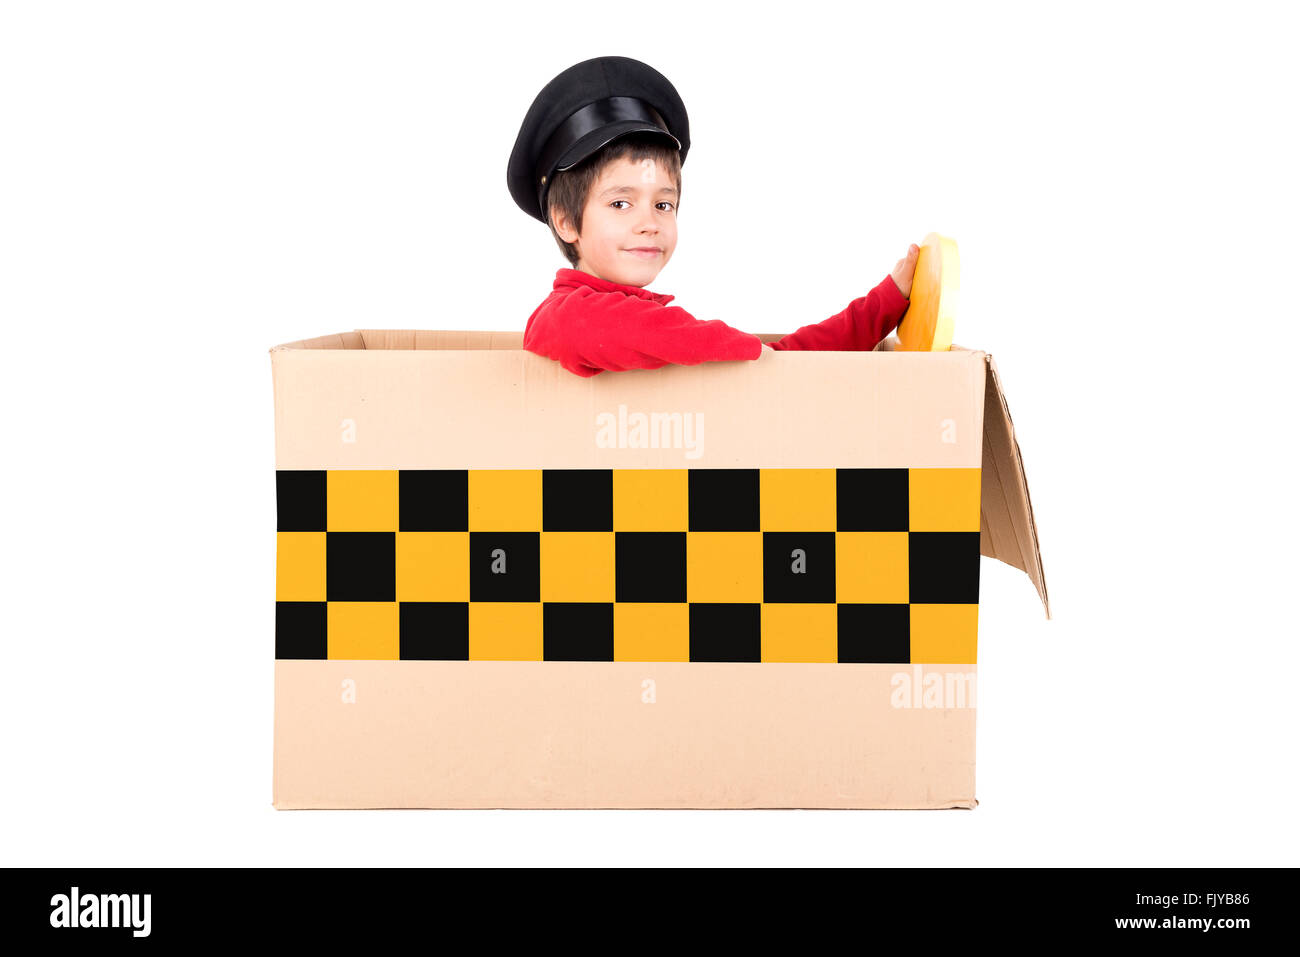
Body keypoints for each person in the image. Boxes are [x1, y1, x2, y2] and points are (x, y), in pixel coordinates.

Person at [507, 56, 918, 379]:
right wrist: (749, 353)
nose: (649, 222)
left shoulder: (656, 330)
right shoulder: (566, 315)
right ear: (565, 220)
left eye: (663, 204)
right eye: (620, 203)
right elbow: (588, 327)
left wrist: (886, 302)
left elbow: (787, 363)